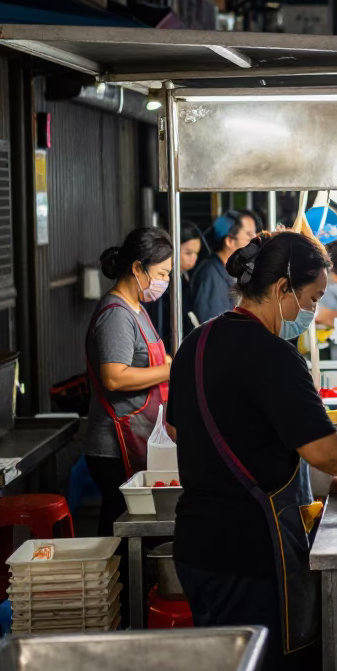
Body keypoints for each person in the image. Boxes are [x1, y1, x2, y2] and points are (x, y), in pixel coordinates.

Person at [168, 231, 337, 671]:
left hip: (197, 547)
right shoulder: (274, 354)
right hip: (251, 552)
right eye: (312, 297)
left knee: (227, 667)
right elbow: (323, 448)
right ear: (283, 288)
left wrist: (317, 478)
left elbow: (177, 427)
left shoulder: (198, 340)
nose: (312, 310)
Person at [85, 228, 175, 538]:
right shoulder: (116, 315)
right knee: (121, 530)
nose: (164, 281)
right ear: (137, 268)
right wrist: (169, 372)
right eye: (161, 273)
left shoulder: (136, 308)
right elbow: (115, 376)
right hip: (113, 444)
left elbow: (152, 362)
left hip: (136, 434)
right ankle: (119, 586)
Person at [192, 210, 257, 325]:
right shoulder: (210, 275)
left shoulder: (233, 272)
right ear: (230, 241)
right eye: (249, 236)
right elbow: (213, 329)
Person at [153, 220, 203, 343]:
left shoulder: (186, 276)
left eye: (196, 253)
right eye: (188, 253)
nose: (193, 259)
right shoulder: (162, 283)